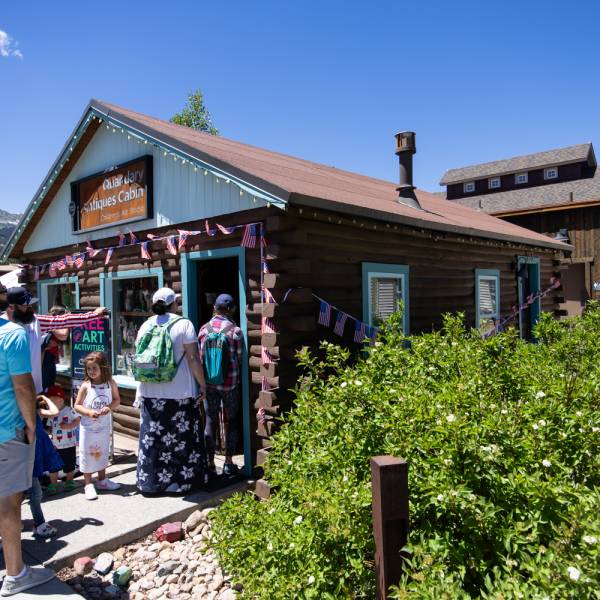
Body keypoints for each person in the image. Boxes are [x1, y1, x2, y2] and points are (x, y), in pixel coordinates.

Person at [0, 306, 55, 595]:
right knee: (9, 502)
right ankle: (15, 574)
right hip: (7, 430)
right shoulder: (12, 334)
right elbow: (22, 386)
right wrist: (32, 425)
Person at [134, 287, 207, 494]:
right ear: (174, 303)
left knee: (154, 441)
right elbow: (193, 358)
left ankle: (150, 483)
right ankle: (180, 483)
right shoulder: (184, 324)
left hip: (150, 393)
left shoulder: (145, 325)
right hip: (180, 393)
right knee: (181, 440)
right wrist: (202, 384)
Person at [3, 286, 109, 394]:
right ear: (11, 307)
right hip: (7, 392)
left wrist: (93, 315)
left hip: (33, 389)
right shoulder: (2, 327)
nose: (30, 307)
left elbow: (63, 321)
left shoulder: (35, 321)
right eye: (26, 305)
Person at [198, 293, 243, 477]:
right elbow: (239, 359)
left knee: (210, 420)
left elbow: (201, 358)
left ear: (215, 307)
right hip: (230, 384)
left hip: (209, 384)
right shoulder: (235, 331)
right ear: (231, 309)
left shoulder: (203, 329)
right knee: (232, 420)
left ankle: (209, 463)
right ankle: (229, 462)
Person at [74, 352, 121, 501]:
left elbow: (117, 400)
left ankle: (102, 480)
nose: (91, 371)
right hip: (88, 428)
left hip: (103, 426)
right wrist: (88, 412)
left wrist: (109, 407)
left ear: (103, 367)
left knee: (102, 451)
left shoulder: (110, 383)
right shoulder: (86, 386)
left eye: (94, 368)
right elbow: (77, 406)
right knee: (87, 453)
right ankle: (88, 484)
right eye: (89, 369)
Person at [28, 394, 62, 537]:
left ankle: (38, 523)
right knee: (34, 493)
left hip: (35, 453)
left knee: (33, 492)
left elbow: (55, 412)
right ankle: (39, 523)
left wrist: (45, 398)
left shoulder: (36, 412)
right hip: (27, 454)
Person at [47, 384, 80, 493]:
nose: (51, 404)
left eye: (53, 401)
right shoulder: (51, 413)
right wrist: (47, 431)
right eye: (50, 402)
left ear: (61, 399)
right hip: (54, 444)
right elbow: (50, 426)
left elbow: (78, 420)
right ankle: (53, 484)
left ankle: (69, 481)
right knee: (53, 465)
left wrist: (69, 426)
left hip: (68, 443)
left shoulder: (68, 410)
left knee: (69, 464)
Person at [40, 306, 70, 391]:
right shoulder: (51, 325)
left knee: (49, 383)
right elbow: (64, 335)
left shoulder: (55, 326)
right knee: (46, 384)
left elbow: (62, 337)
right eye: (63, 316)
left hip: (50, 357)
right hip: (45, 359)